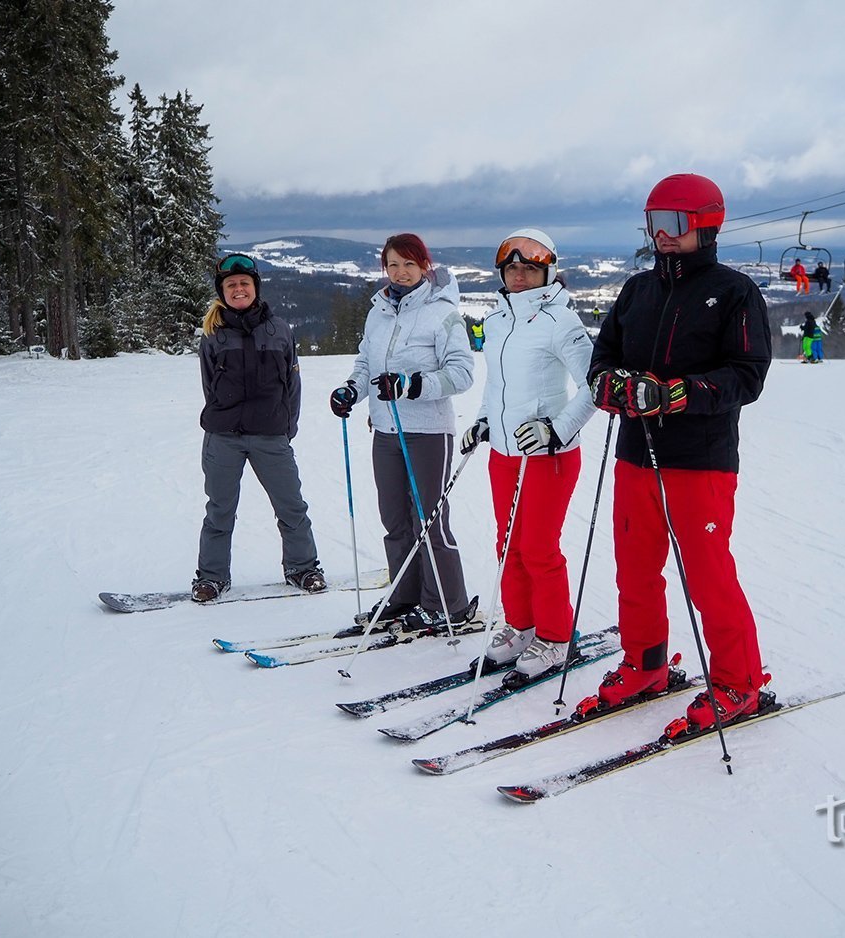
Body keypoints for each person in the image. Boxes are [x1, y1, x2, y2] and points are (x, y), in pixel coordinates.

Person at [589, 173, 772, 728]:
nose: (662, 235)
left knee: (707, 575)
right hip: (635, 456)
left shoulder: (735, 291)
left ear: (705, 224)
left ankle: (738, 682)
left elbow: (747, 375)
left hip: (700, 460)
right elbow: (603, 357)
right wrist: (609, 385)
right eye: (654, 224)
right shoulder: (637, 290)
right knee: (635, 568)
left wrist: (676, 394)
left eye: (674, 223)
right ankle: (645, 663)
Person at [460, 228, 596, 680]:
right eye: (512, 268)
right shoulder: (497, 320)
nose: (519, 276)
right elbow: (497, 384)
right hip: (503, 452)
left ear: (547, 273)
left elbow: (595, 386)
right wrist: (482, 419)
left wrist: (556, 431)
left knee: (538, 548)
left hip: (548, 456)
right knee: (509, 545)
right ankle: (521, 625)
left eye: (530, 268)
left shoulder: (561, 321)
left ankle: (556, 637)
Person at [329, 234, 474, 628]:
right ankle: (404, 595)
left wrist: (412, 384)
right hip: (387, 430)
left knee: (428, 521)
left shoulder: (442, 312)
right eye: (393, 265)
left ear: (424, 266)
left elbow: (461, 374)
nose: (401, 272)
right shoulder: (378, 311)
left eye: (409, 264)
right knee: (394, 520)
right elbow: (366, 363)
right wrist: (350, 391)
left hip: (429, 432)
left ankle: (447, 604)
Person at [192, 253, 325, 602]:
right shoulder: (213, 335)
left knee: (291, 506)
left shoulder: (279, 330)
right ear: (222, 292)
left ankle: (303, 568)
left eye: (244, 284)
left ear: (256, 288)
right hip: (223, 437)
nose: (238, 289)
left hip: (271, 435)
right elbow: (209, 386)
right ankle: (211, 577)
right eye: (231, 285)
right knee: (219, 510)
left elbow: (292, 386)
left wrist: (285, 429)